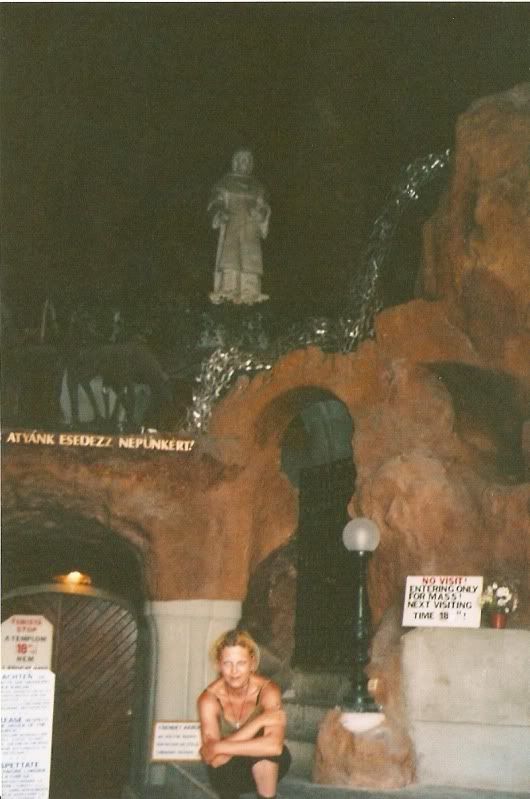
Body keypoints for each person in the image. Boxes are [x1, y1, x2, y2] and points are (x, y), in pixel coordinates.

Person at [197, 629, 291, 799]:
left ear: (252, 664)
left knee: (267, 755)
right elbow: (214, 760)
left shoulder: (268, 691)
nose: (234, 671)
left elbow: (274, 747)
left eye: (241, 663)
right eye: (228, 663)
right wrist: (259, 721)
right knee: (224, 767)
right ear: (219, 664)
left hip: (261, 764)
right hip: (227, 772)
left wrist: (218, 746)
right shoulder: (209, 699)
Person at [208, 149, 270, 305]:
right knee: (230, 260)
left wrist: (261, 213)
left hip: (250, 230)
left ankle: (250, 294)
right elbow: (216, 201)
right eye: (242, 160)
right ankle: (228, 292)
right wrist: (220, 212)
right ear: (235, 162)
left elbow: (264, 206)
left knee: (250, 262)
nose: (245, 163)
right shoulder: (225, 183)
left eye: (248, 160)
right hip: (232, 226)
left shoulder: (257, 186)